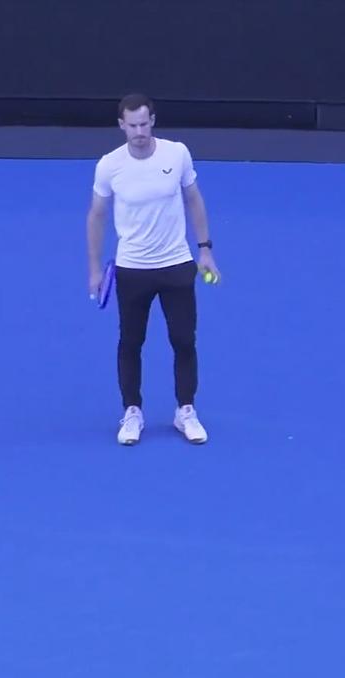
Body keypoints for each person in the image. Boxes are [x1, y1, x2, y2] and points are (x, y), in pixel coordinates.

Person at [86, 93, 221, 446]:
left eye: (145, 124)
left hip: (176, 265)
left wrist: (205, 249)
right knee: (131, 342)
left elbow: (194, 198)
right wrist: (94, 270)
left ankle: (185, 411)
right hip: (132, 270)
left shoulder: (176, 154)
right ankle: (132, 412)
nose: (140, 131)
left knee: (183, 340)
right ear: (121, 126)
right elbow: (96, 216)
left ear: (153, 121)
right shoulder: (109, 166)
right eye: (132, 125)